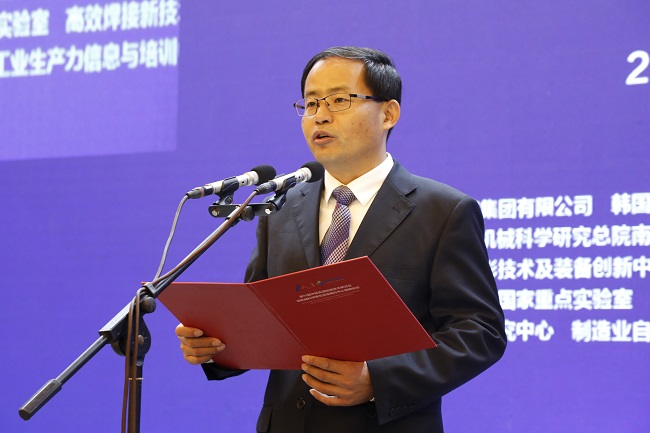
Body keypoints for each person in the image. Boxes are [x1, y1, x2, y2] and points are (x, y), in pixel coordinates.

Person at [176, 46, 506, 433]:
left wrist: (377, 380)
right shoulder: (280, 207)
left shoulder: (443, 211)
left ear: (388, 113)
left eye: (338, 100)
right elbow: (262, 320)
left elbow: (479, 332)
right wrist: (216, 347)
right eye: (311, 103)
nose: (320, 115)